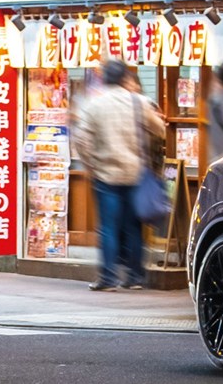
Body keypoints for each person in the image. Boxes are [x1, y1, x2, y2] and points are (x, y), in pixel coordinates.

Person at [72, 60, 165, 292]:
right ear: (125, 78)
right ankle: (135, 277)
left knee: (109, 227)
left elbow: (81, 139)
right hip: (135, 172)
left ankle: (108, 277)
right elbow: (160, 130)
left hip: (106, 175)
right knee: (133, 226)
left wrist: (90, 165)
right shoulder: (139, 102)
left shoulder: (94, 105)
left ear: (104, 79)